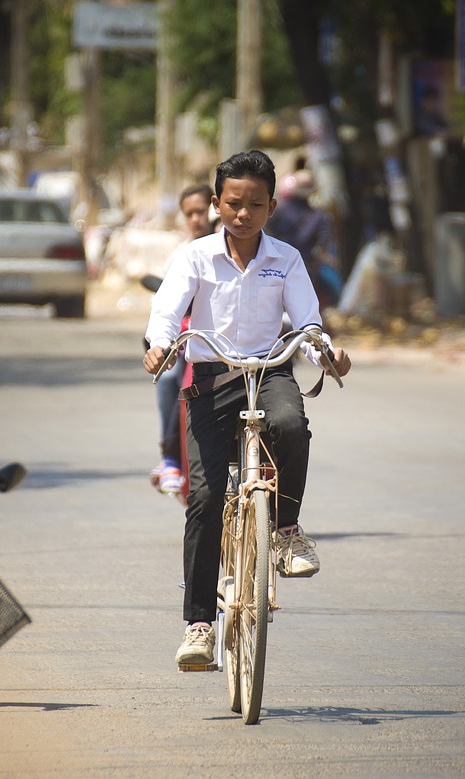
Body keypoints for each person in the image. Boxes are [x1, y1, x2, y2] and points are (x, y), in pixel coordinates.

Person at [143, 150, 351, 666]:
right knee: (206, 500)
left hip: (269, 372)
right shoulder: (194, 258)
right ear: (217, 204)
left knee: (292, 426)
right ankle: (197, 626)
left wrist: (326, 353)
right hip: (212, 382)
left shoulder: (286, 259)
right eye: (233, 203)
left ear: (272, 207)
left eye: (255, 205)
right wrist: (159, 345)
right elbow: (167, 312)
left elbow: (306, 323)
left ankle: (285, 532)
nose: (243, 214)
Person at [148, 184, 215, 498]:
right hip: (192, 341)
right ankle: (170, 455)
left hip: (237, 346)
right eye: (189, 213)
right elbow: (165, 308)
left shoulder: (244, 248)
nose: (196, 219)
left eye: (201, 211)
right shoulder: (181, 256)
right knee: (171, 379)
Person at [264, 167, 341, 317]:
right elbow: (322, 245)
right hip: (305, 267)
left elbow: (266, 233)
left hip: (276, 264)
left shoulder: (278, 210)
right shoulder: (319, 215)